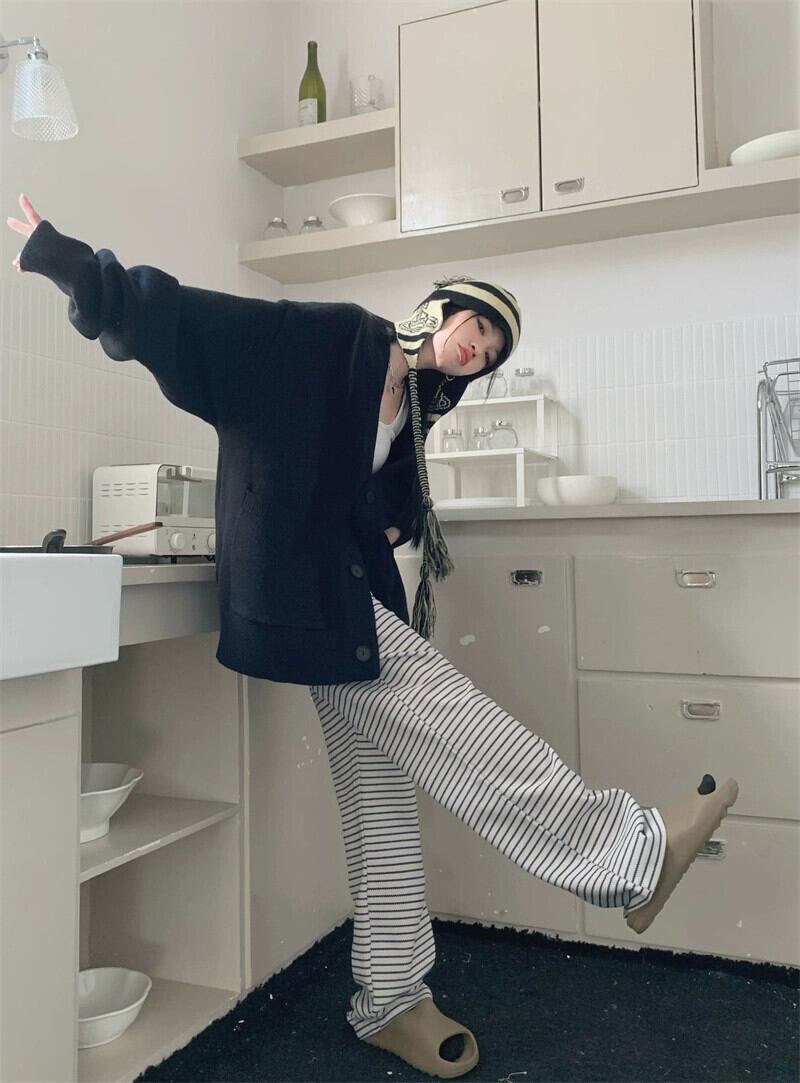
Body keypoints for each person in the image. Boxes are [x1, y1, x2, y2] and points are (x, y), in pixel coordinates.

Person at [8, 194, 739, 1080]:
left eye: (493, 352)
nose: (478, 349)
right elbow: (197, 325)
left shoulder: (413, 409)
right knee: (461, 725)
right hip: (305, 594)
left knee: (380, 795)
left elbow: (364, 490)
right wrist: (71, 263)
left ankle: (390, 998)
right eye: (478, 326)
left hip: (346, 596)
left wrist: (391, 517)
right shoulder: (333, 337)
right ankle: (629, 856)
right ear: (442, 308)